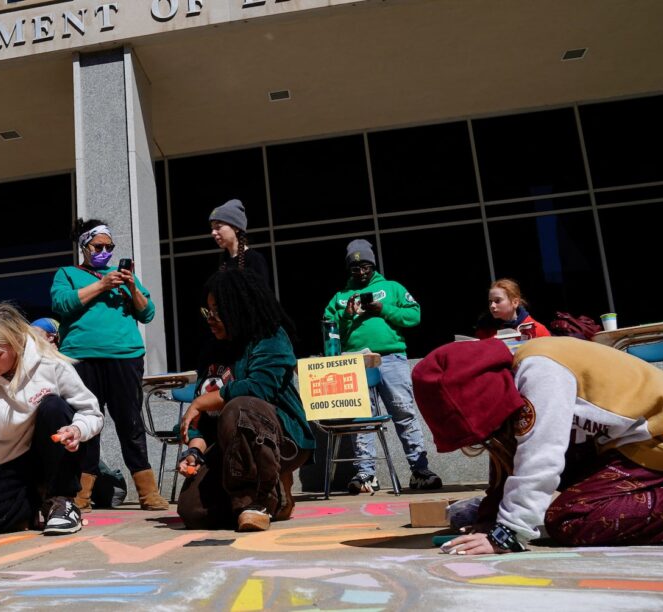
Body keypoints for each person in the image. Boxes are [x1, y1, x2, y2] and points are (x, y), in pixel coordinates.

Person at [412, 337, 663, 555]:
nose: (484, 442)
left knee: (569, 519)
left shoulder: (539, 372)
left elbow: (541, 456)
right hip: (632, 439)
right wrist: (489, 517)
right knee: (550, 501)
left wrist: (508, 533)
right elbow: (511, 458)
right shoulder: (517, 371)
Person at [0, 303, 102, 539]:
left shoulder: (50, 364)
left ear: (16, 344)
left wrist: (77, 429)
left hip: (54, 454)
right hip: (12, 460)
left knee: (54, 406)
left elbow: (92, 413)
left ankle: (62, 501)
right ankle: (33, 502)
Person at [177, 268, 315, 532]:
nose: (211, 318)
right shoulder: (210, 348)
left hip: (283, 439)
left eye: (218, 310)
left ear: (239, 308)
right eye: (207, 311)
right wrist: (194, 450)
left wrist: (203, 402)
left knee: (240, 406)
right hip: (232, 446)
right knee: (194, 512)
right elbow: (203, 418)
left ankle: (256, 504)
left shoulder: (270, 337)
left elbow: (260, 388)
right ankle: (269, 488)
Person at [50, 218, 167, 511]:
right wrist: (102, 285)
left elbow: (148, 313)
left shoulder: (124, 275)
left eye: (109, 246)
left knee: (130, 422)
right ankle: (82, 494)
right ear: (84, 247)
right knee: (87, 424)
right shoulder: (67, 274)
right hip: (82, 357)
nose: (105, 251)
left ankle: (147, 492)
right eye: (98, 246)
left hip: (124, 357)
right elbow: (62, 305)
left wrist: (131, 286)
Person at [323, 239, 442, 493]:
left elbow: (414, 316)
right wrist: (346, 315)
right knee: (360, 419)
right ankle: (366, 474)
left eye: (366, 266)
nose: (361, 272)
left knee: (403, 412)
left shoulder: (392, 288)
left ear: (373, 265)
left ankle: (420, 470)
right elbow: (329, 330)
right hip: (355, 362)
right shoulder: (340, 297)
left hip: (391, 359)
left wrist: (382, 308)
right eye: (355, 269)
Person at [209, 199, 271, 286]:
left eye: (218, 227)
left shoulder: (254, 259)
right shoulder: (224, 260)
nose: (213, 233)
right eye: (212, 228)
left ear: (236, 228)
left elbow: (260, 296)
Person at [475, 278, 551, 340]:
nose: (492, 305)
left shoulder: (537, 329)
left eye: (497, 300)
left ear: (515, 302)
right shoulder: (484, 330)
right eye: (490, 301)